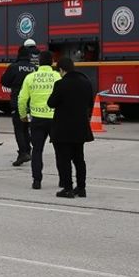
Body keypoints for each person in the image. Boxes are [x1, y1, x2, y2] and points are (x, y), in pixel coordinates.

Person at [46, 56, 94, 198]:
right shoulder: (86, 82)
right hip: (80, 127)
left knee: (64, 159)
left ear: (61, 69)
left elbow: (51, 103)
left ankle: (67, 188)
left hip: (63, 129)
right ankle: (81, 188)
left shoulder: (61, 84)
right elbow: (90, 103)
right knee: (79, 159)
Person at [17, 51, 60, 190]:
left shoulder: (30, 77)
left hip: (37, 119)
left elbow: (22, 99)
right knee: (60, 151)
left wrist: (23, 115)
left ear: (39, 62)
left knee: (37, 151)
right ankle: (63, 180)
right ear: (52, 62)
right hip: (55, 119)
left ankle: (37, 181)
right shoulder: (57, 76)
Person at [0, 44, 37, 166]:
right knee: (26, 128)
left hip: (18, 102)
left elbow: (4, 81)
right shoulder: (34, 68)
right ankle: (28, 150)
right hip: (32, 104)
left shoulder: (14, 67)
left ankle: (23, 153)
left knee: (19, 129)